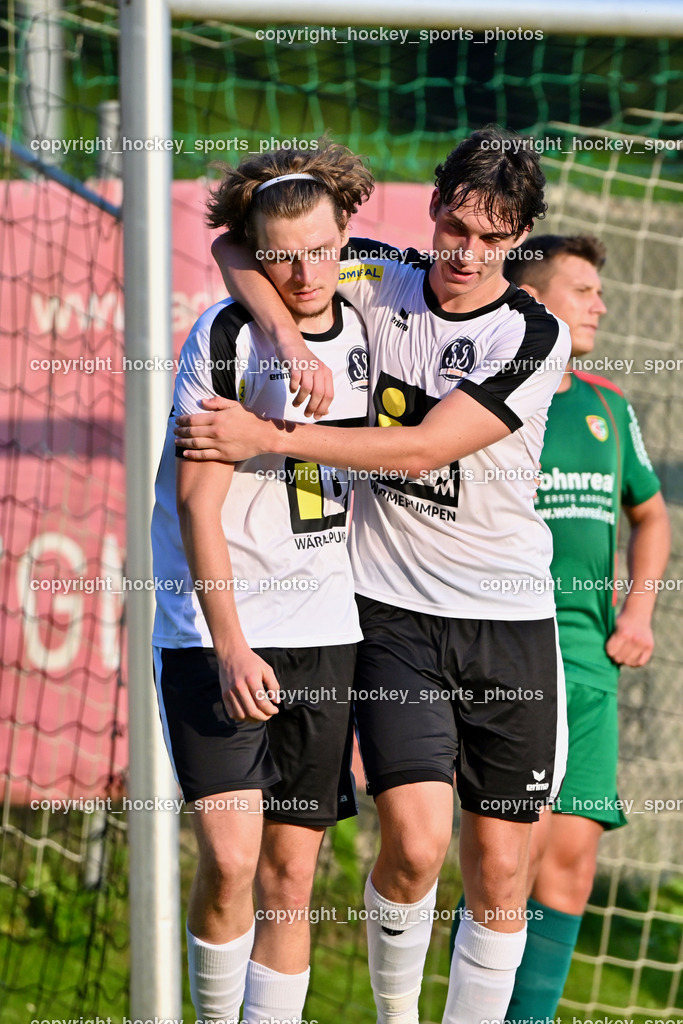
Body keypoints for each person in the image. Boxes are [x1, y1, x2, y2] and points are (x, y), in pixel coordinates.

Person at [174, 125, 572, 1024]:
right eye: (458, 226)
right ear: (432, 208)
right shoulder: (377, 271)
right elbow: (240, 243)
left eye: (494, 236)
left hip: (508, 620)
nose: (467, 253)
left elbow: (426, 446)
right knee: (416, 844)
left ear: (518, 240)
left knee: (503, 867)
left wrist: (269, 436)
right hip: (390, 614)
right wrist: (281, 337)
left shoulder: (532, 333)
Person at [150, 141, 374, 1024]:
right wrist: (232, 644)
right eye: (281, 255)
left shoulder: (370, 319)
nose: (304, 271)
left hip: (326, 625)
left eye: (321, 250)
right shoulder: (224, 334)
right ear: (257, 251)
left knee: (291, 872)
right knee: (233, 861)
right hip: (217, 634)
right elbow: (199, 506)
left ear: (345, 237)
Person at [496, 235, 670, 1020]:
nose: (600, 304)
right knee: (508, 859)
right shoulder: (491, 401)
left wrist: (636, 610)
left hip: (589, 663)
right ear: (534, 302)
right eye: (583, 290)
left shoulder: (607, 407)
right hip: (511, 657)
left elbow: (651, 514)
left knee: (570, 862)